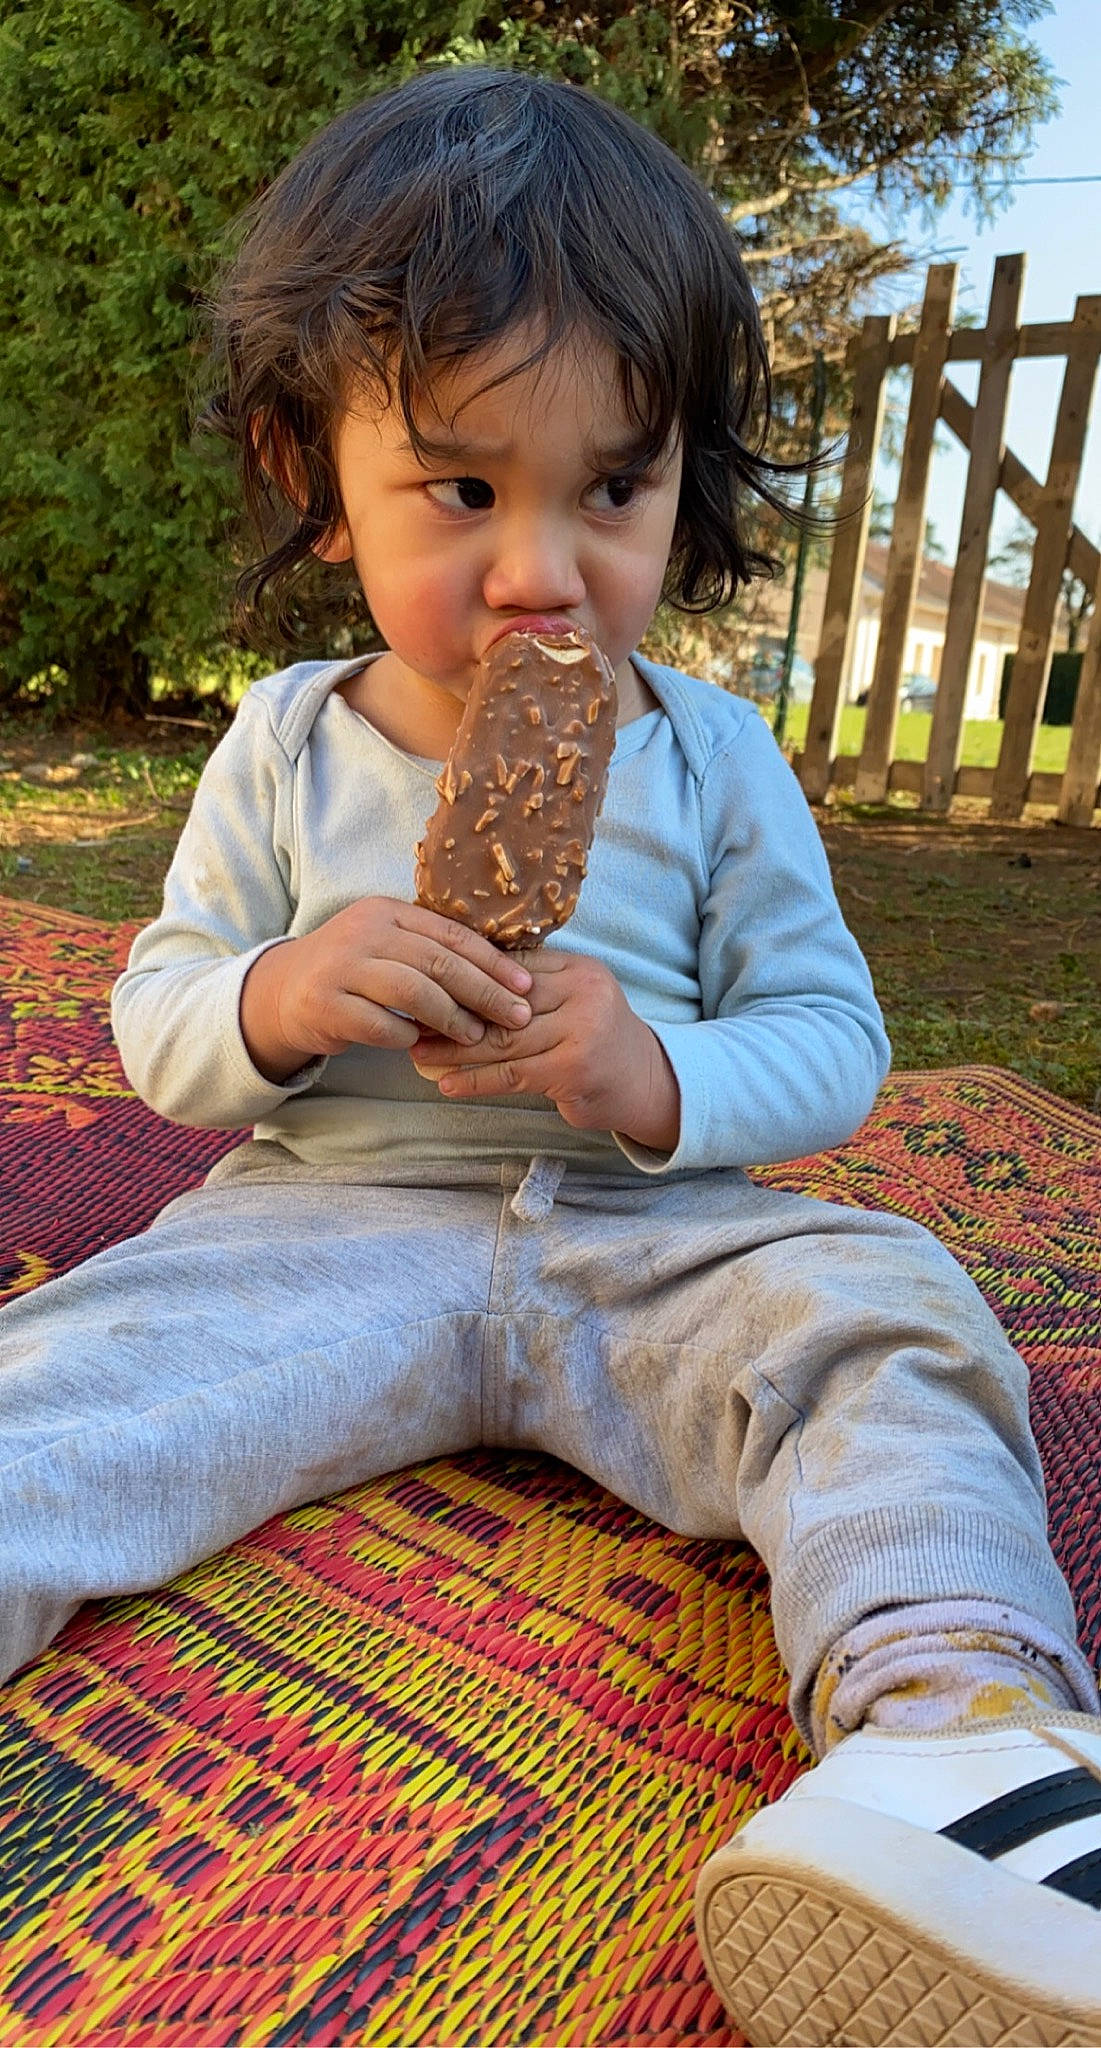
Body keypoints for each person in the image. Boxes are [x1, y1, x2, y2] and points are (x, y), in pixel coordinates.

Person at [3, 64, 1099, 2045]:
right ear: (304, 474)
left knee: (883, 1314)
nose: (542, 570)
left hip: (647, 1231)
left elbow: (827, 1040)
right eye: (462, 487)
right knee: (80, 1381)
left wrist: (652, 1070)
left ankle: (957, 1745)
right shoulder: (280, 744)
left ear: (684, 476)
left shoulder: (712, 755)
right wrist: (283, 990)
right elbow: (160, 1016)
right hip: (321, 1222)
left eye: (612, 487)